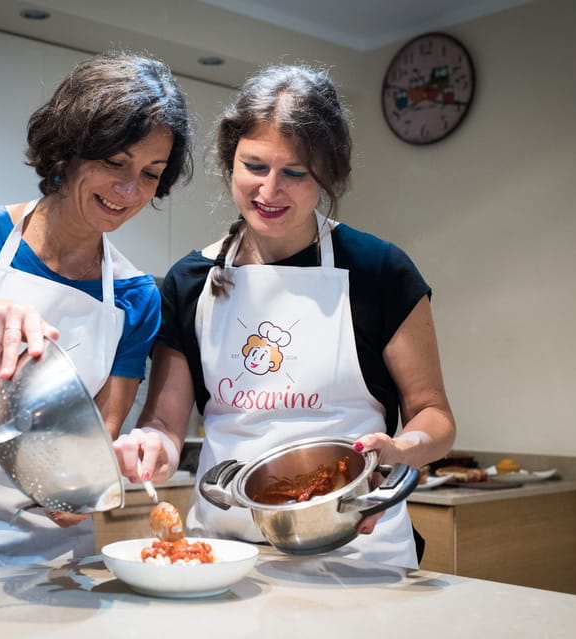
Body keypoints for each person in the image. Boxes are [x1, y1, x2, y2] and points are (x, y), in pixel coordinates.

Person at [114, 64, 456, 569]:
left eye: (294, 173)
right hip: (229, 552)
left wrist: (401, 447)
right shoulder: (190, 281)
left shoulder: (380, 271)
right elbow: (165, 421)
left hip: (357, 546)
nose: (269, 190)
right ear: (230, 161)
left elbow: (437, 417)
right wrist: (149, 443)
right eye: (254, 166)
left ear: (327, 175)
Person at [0, 51, 192, 579]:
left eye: (149, 175)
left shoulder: (135, 296)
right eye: (114, 163)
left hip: (55, 561)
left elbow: (89, 448)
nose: (129, 191)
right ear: (67, 149)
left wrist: (82, 489)